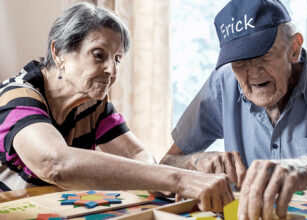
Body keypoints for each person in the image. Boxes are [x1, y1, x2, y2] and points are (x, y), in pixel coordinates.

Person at [160, 0, 307, 219]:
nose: (253, 73)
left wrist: (303, 168)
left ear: (294, 48)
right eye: (239, 62)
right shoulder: (222, 84)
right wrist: (196, 162)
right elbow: (167, 163)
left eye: (263, 55)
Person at [0, 2, 233, 212]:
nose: (113, 71)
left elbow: (137, 155)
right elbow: (54, 163)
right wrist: (179, 179)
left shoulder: (94, 106)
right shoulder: (16, 96)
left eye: (118, 58)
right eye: (99, 55)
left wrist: (180, 182)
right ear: (58, 52)